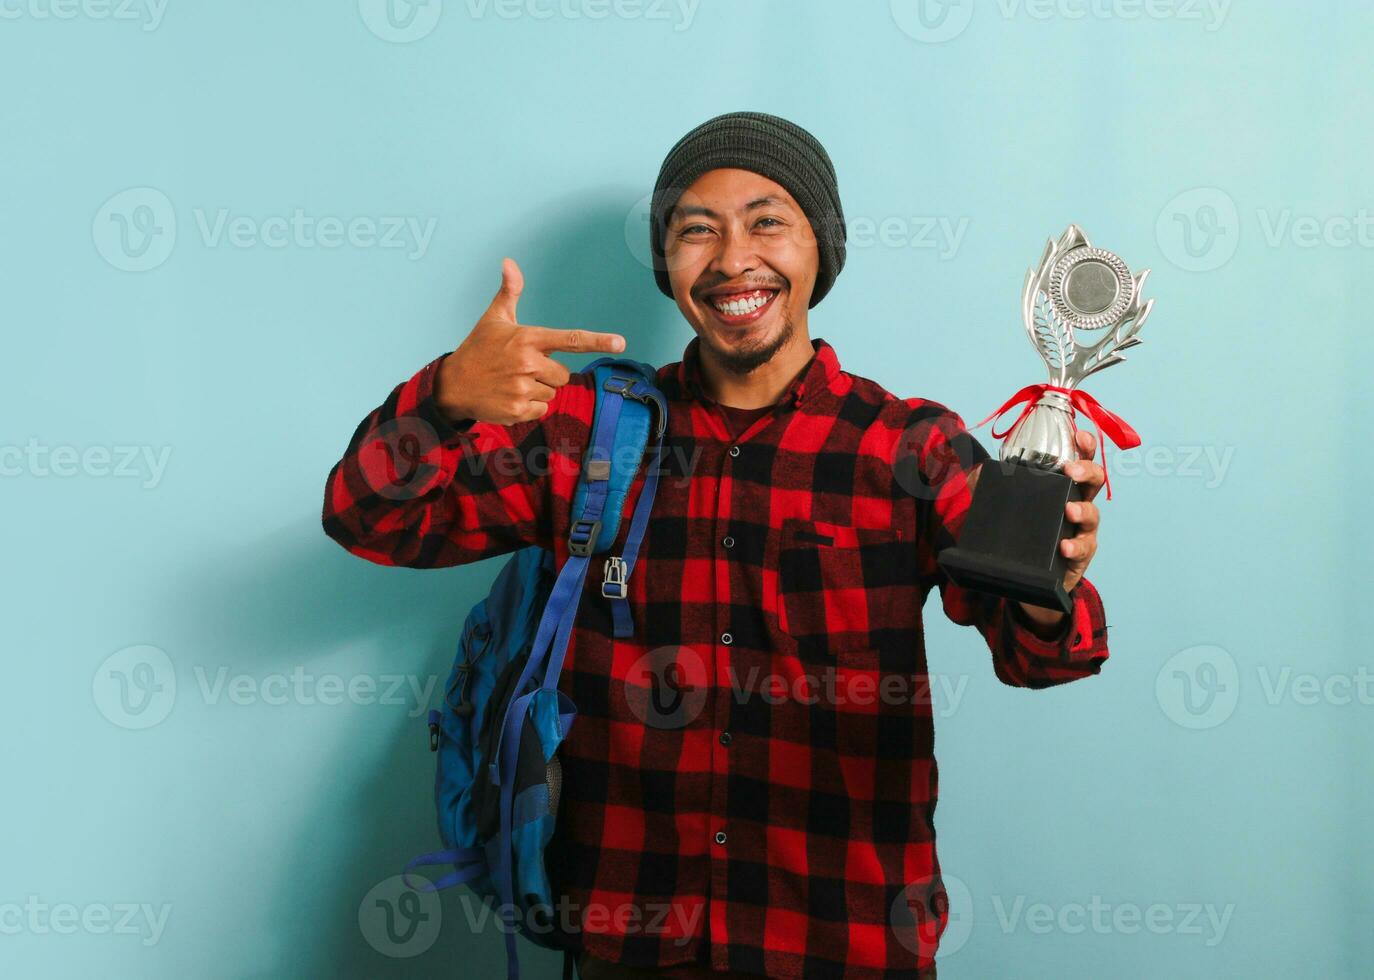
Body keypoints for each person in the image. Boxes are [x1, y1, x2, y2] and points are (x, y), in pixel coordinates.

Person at [322, 111, 1112, 980]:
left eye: (768, 221)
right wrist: (442, 398)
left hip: (841, 945)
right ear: (670, 267)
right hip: (630, 945)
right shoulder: (591, 432)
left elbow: (1045, 658)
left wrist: (1053, 579)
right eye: (698, 230)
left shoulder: (911, 449)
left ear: (821, 248)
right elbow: (372, 519)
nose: (735, 258)